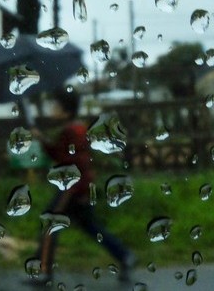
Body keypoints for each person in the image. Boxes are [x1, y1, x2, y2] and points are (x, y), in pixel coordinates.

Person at [28, 89, 136, 286]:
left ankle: (44, 272)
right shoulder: (73, 129)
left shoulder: (72, 131)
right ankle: (125, 255)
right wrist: (42, 139)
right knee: (91, 227)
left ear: (66, 111)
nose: (52, 108)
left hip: (73, 188)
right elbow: (59, 155)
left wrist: (75, 190)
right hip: (81, 187)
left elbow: (71, 162)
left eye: (56, 106)